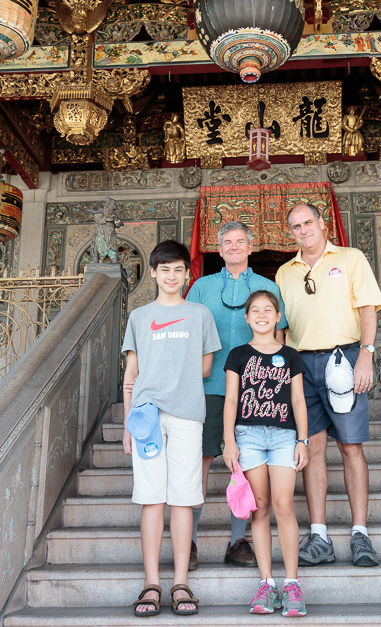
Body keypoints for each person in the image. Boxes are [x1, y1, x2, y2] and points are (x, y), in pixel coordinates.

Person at [275, 203, 381, 568]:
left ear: (322, 223)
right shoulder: (285, 272)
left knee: (351, 447)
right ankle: (319, 535)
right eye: (296, 226)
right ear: (290, 232)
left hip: (344, 358)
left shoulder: (351, 258)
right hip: (300, 364)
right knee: (312, 447)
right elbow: (281, 328)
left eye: (309, 222)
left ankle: (360, 533)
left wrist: (366, 355)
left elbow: (367, 308)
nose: (303, 229)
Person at [122, 240, 221, 616]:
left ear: (187, 274)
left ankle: (181, 583)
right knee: (152, 498)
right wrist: (129, 425)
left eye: (178, 269)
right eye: (164, 269)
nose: (171, 276)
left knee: (183, 498)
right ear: (153, 273)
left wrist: (172, 375)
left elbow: (207, 367)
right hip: (147, 416)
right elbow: (131, 374)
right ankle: (152, 584)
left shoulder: (200, 314)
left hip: (188, 415)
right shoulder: (139, 316)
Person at [186, 221, 287, 569]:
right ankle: (190, 541)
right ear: (218, 248)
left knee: (245, 463)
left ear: (250, 246)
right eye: (227, 242)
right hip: (209, 386)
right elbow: (187, 337)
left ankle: (237, 540)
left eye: (240, 241)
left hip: (256, 389)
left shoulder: (267, 287)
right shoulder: (201, 287)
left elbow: (280, 340)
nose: (233, 247)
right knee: (200, 461)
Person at [223, 290, 309, 617]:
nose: (261, 315)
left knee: (283, 504)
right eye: (255, 310)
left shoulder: (291, 355)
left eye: (268, 310)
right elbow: (232, 399)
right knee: (259, 508)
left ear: (278, 317)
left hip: (285, 436)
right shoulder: (238, 355)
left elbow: (298, 399)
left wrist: (303, 440)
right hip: (248, 436)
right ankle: (267, 584)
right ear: (247, 318)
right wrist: (229, 441)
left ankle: (292, 584)